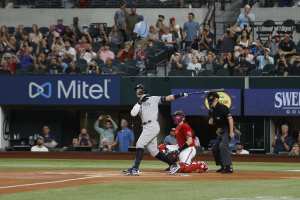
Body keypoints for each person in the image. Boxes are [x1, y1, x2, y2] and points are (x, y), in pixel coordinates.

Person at [123, 84, 189, 176]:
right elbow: (133, 114)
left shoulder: (153, 98)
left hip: (152, 125)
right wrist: (140, 102)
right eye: (136, 90)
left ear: (143, 90)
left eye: (139, 89)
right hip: (146, 127)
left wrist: (180, 95)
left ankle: (135, 168)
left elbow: (168, 98)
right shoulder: (139, 104)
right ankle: (173, 165)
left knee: (140, 144)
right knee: (154, 152)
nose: (137, 91)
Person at [207, 92, 234, 173]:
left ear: (217, 99)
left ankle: (229, 167)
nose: (211, 102)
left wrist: (231, 132)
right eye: (210, 100)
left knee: (223, 146)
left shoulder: (223, 107)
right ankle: (223, 166)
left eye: (213, 100)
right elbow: (212, 122)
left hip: (227, 128)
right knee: (215, 148)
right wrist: (212, 122)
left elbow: (230, 119)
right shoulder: (211, 110)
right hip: (220, 129)